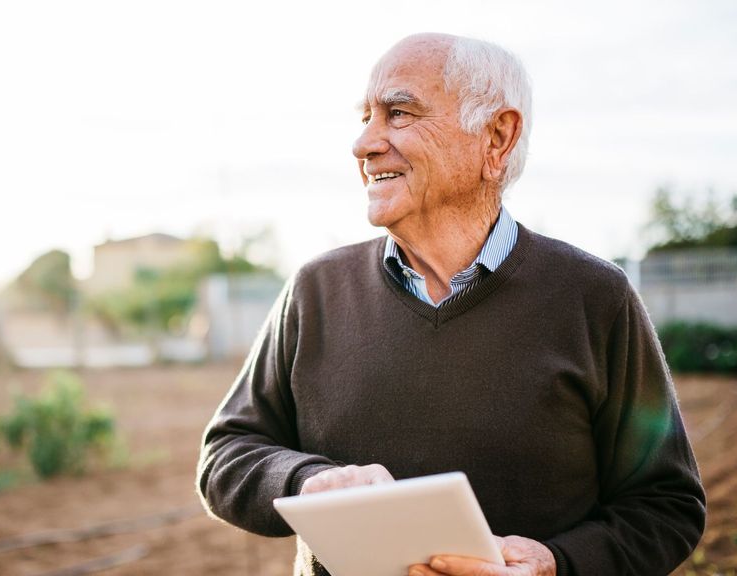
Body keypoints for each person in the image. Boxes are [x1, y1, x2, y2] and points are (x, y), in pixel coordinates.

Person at [197, 32, 705, 576]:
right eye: (365, 117)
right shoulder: (316, 290)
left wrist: (555, 563)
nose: (363, 143)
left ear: (497, 138)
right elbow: (227, 454)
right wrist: (307, 482)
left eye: (398, 113)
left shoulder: (595, 299)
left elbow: (666, 506)